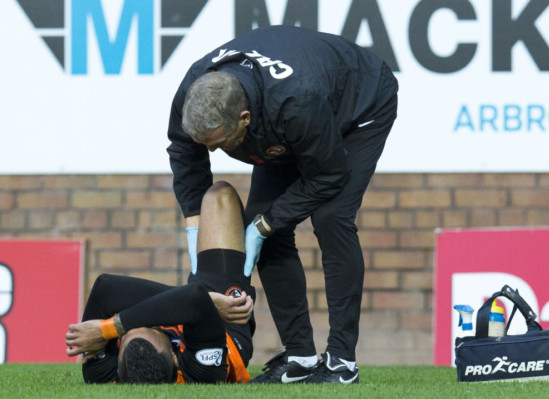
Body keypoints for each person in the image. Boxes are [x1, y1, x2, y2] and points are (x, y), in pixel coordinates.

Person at [167, 25, 399, 384]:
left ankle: (341, 362)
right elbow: (185, 152)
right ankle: (301, 357)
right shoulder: (195, 89)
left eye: (219, 142)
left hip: (359, 103)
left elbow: (328, 176)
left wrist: (263, 225)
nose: (211, 150)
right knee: (266, 224)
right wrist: (196, 228)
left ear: (244, 119)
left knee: (331, 216)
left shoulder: (295, 102)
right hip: (292, 119)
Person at [65, 181, 256, 384]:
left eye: (132, 328)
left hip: (206, 303)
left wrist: (202, 303)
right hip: (224, 323)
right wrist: (110, 329)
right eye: (153, 327)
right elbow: (195, 298)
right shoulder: (201, 374)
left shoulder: (101, 375)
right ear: (175, 359)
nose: (152, 321)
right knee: (220, 196)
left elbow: (105, 287)